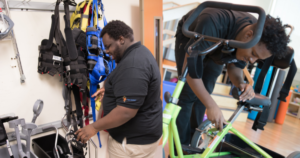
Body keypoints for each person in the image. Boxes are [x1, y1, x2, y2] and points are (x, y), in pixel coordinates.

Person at [174, 8, 290, 146]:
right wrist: (211, 106)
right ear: (248, 35)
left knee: (206, 89)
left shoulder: (253, 36)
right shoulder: (212, 22)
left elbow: (234, 65)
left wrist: (241, 83)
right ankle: (180, 145)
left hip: (222, 42)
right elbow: (191, 73)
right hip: (196, 34)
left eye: (257, 59)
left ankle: (194, 140)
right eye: (253, 53)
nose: (252, 61)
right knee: (188, 93)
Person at [75, 20, 162, 158]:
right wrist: (111, 88)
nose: (107, 51)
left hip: (131, 143)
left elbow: (126, 112)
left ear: (121, 40)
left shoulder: (133, 65)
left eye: (109, 46)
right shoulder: (140, 52)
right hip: (143, 135)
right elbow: (133, 83)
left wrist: (93, 127)